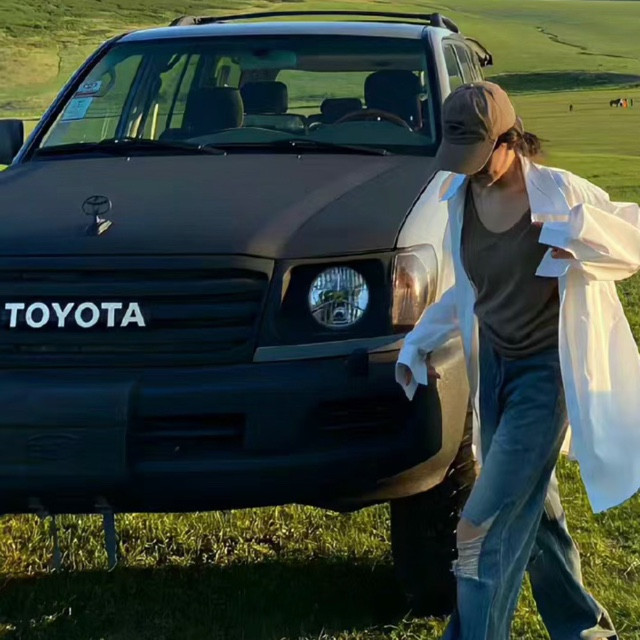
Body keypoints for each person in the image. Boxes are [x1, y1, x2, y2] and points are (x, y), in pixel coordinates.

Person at [396, 81, 640, 640]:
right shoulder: (460, 196)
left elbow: (633, 236)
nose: (472, 170)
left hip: (545, 377)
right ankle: (582, 628)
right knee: (536, 510)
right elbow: (468, 293)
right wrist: (417, 344)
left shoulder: (558, 194)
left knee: (479, 530)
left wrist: (582, 236)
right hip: (495, 370)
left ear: (510, 140)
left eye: (480, 157)